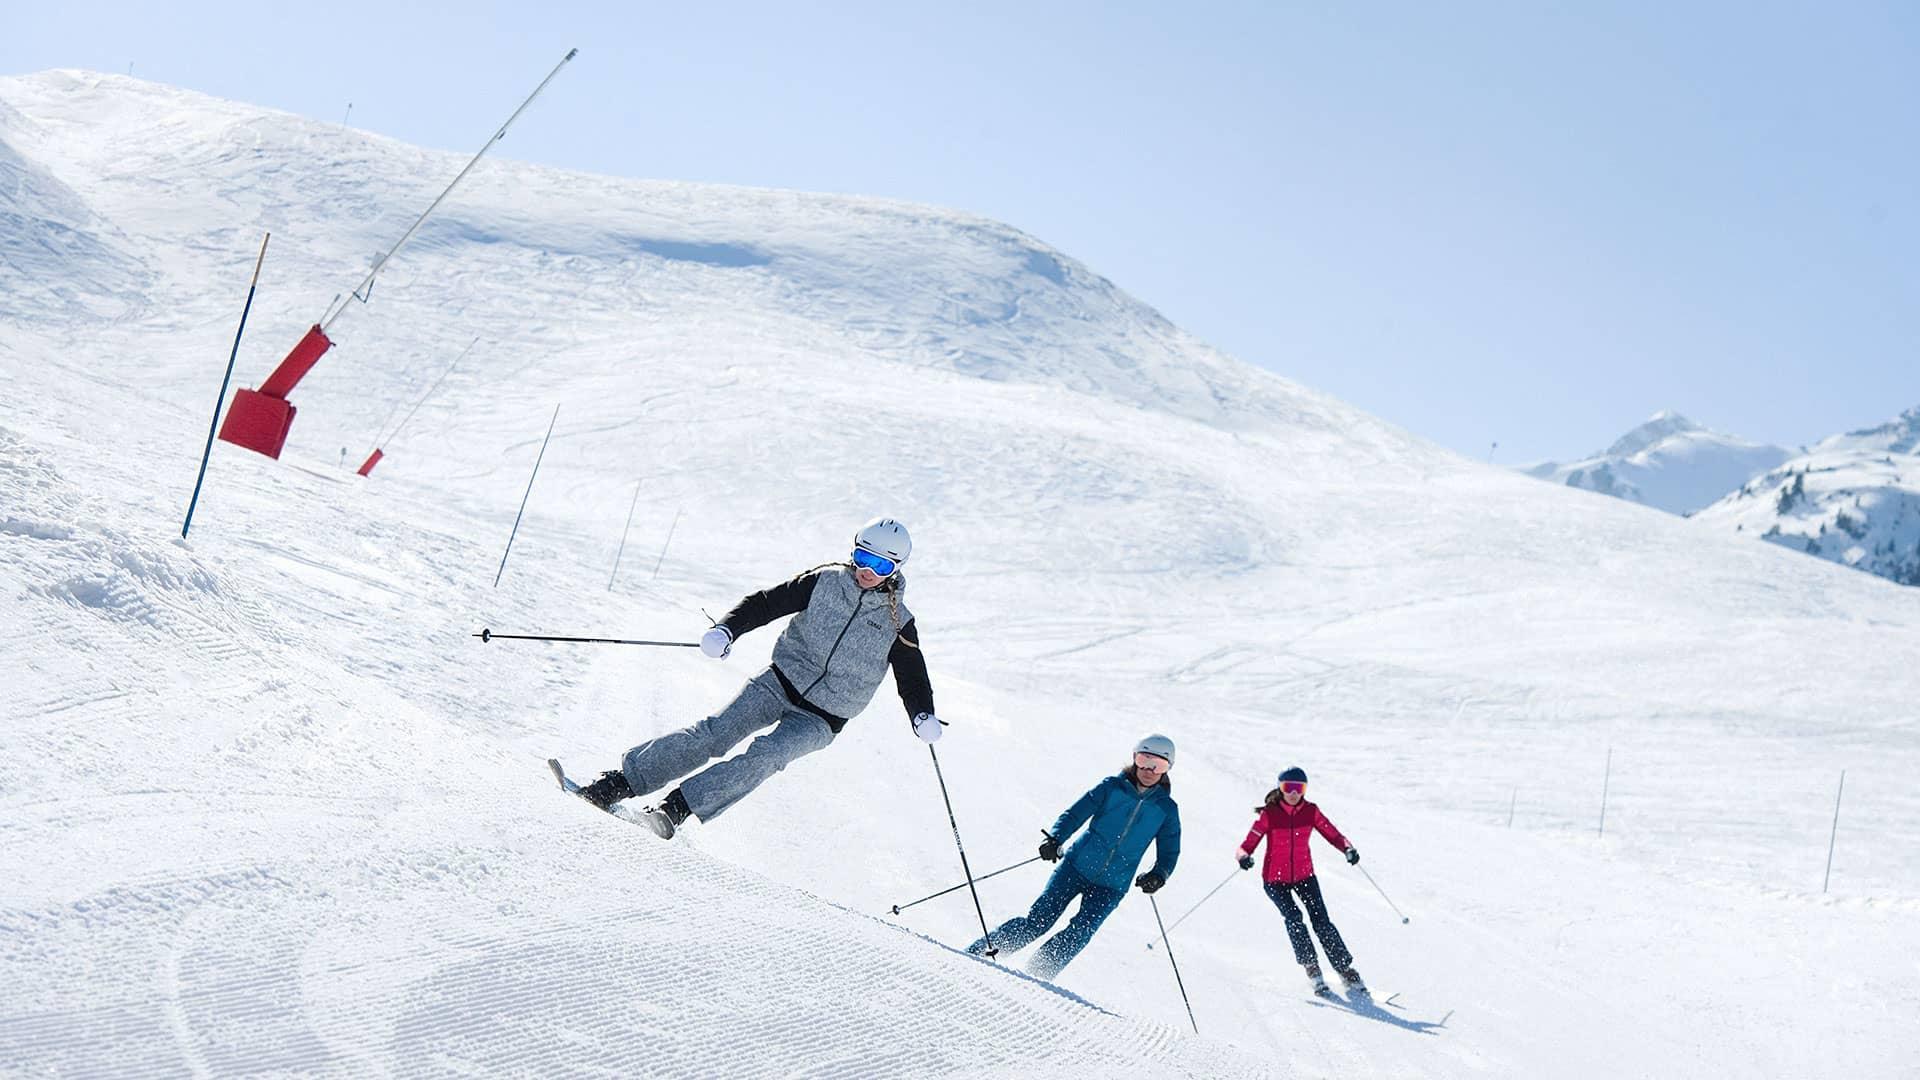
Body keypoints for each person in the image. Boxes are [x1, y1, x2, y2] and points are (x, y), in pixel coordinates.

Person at [572, 517, 943, 837]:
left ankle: (675, 809)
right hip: (779, 681)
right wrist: (726, 630)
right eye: (862, 557)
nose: (866, 571)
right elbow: (766, 604)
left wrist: (921, 714)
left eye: (879, 566)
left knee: (766, 757)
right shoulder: (824, 583)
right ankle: (616, 784)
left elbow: (912, 676)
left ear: (895, 569)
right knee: (714, 733)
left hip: (823, 717)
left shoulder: (899, 621)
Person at [966, 735, 1182, 980]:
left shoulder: (1166, 810)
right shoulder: (1111, 787)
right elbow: (1076, 814)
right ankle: (976, 954)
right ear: (1134, 758)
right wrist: (1055, 838)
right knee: (1038, 921)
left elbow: (1169, 851)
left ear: (1167, 769)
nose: (1148, 770)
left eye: (1158, 765)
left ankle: (1036, 976)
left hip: (1112, 886)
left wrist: (1158, 875)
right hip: (1075, 867)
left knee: (1080, 932)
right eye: (1144, 760)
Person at [1235, 766, 1366, 995]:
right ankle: (1312, 967)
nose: (1294, 793)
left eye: (1299, 788)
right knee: (1294, 917)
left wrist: (1348, 848)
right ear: (1280, 788)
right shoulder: (1270, 814)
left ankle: (1345, 969)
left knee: (1322, 921)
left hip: (1305, 876)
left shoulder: (1311, 811)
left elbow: (1333, 834)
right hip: (1275, 880)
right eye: (1288, 787)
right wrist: (1244, 857)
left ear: (1305, 789)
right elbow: (1246, 845)